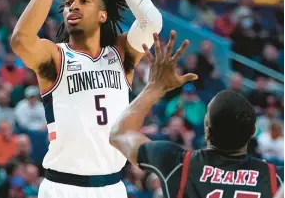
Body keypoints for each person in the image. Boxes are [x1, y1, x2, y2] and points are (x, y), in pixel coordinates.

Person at [10, 0, 162, 198]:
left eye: (84, 0)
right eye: (68, 2)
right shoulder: (55, 58)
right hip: (61, 188)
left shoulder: (122, 55)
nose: (73, 6)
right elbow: (21, 40)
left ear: (103, 14)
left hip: (112, 188)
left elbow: (151, 22)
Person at [110, 31, 283, 198]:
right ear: (253, 131)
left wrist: (154, 87)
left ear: (207, 129)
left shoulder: (178, 163)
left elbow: (120, 133)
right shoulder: (276, 178)